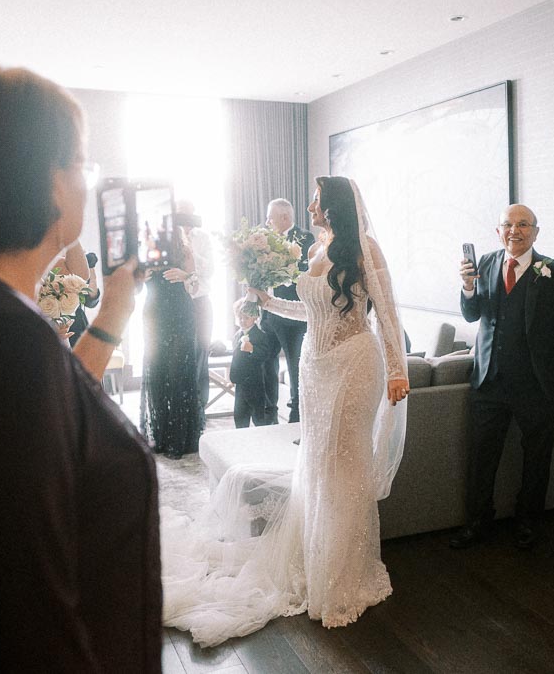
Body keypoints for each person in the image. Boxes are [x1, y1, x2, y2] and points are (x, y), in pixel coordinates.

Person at [161, 176, 409, 646]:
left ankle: (344, 575)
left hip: (355, 363)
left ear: (332, 204)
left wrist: (399, 370)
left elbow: (388, 312)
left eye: (316, 200)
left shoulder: (365, 249)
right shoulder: (319, 248)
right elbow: (310, 311)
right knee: (316, 463)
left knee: (344, 463)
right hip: (315, 367)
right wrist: (267, 301)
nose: (310, 206)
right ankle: (314, 561)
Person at [0, 65, 160, 672]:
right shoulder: (11, 343)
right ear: (46, 180)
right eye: (79, 163)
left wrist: (113, 312)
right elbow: (31, 603)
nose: (86, 182)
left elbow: (63, 412)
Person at [450, 204, 554, 551]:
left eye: (523, 224)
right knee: (481, 456)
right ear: (498, 231)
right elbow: (473, 313)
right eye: (508, 224)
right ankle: (477, 521)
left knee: (537, 458)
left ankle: (528, 522)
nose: (514, 230)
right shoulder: (487, 264)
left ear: (536, 232)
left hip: (537, 384)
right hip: (489, 380)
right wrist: (467, 286)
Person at [140, 226, 202, 459]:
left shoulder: (184, 252)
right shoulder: (145, 253)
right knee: (156, 374)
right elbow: (133, 288)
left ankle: (179, 439)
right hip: (153, 317)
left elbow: (197, 287)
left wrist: (187, 276)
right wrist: (141, 278)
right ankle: (160, 435)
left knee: (177, 375)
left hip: (180, 316)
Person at [258, 197, 315, 423]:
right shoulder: (264, 240)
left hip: (292, 316)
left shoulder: (305, 239)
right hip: (269, 314)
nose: (266, 222)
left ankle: (296, 415)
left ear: (284, 217)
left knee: (295, 367)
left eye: (270, 217)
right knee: (266, 363)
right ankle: (268, 413)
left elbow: (302, 276)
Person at [162, 199, 217, 417]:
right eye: (179, 211)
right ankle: (177, 409)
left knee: (201, 353)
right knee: (176, 356)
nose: (183, 215)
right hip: (175, 303)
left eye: (187, 211)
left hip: (201, 301)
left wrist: (190, 254)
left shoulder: (202, 237)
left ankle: (199, 408)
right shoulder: (166, 237)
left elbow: (210, 269)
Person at [228, 298, 275, 428]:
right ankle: (241, 436)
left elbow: (266, 354)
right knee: (240, 414)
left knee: (258, 414)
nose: (242, 321)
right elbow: (236, 358)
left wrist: (252, 349)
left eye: (246, 318)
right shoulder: (237, 335)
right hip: (240, 382)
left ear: (255, 317)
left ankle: (260, 435)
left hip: (255, 383)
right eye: (240, 318)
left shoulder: (260, 335)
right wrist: (233, 376)